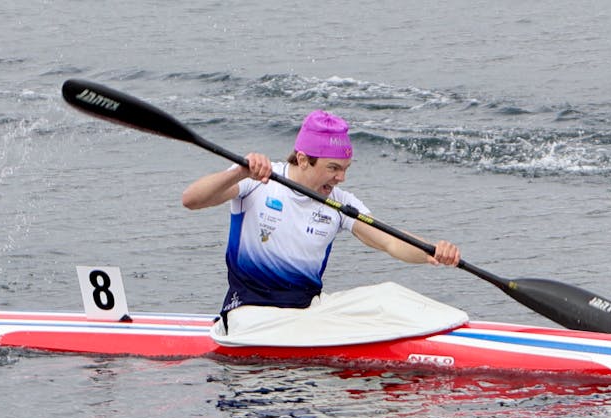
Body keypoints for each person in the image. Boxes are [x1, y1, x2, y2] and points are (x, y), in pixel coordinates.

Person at [181, 109, 461, 336]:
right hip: (250, 314)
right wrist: (240, 172)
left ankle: (448, 330)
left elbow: (389, 240)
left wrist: (430, 252)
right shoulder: (256, 182)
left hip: (307, 311)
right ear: (303, 160)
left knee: (388, 295)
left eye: (345, 169)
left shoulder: (339, 203)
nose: (341, 178)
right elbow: (191, 199)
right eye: (333, 168)